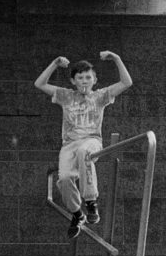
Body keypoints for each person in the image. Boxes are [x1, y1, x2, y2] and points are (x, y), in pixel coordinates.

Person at [33, 51, 133, 239]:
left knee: (83, 151)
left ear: (94, 80)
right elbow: (39, 84)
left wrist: (117, 58)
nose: (84, 81)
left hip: (92, 142)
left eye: (88, 77)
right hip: (69, 145)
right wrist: (55, 63)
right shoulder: (66, 96)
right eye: (80, 78)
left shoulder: (101, 96)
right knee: (63, 179)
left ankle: (91, 201)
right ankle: (78, 214)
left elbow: (126, 83)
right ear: (73, 81)